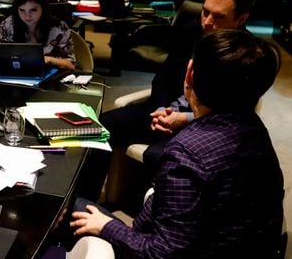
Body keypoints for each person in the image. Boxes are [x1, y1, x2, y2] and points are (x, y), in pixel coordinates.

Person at [68, 29, 284, 258]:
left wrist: (106, 226)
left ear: (190, 73)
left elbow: (161, 252)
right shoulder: (256, 129)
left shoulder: (187, 153)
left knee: (72, 208)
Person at [100, 0, 254, 170]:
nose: (207, 22)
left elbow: (235, 113)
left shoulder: (248, 55)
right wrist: (161, 109)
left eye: (219, 17)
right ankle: (84, 197)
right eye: (205, 12)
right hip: (165, 112)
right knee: (101, 127)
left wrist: (185, 119)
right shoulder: (190, 32)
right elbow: (162, 80)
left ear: (241, 19)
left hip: (205, 126)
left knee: (160, 156)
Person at [0, 0, 76, 70]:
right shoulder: (9, 24)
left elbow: (71, 65)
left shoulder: (59, 28)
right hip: (15, 75)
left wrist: (50, 60)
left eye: (33, 10)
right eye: (22, 10)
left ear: (43, 8)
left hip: (49, 77)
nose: (27, 16)